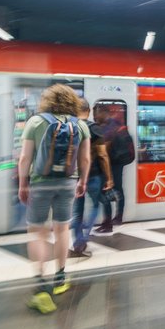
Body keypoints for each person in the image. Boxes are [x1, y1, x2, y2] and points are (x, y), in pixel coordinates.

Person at [18, 84, 90, 314]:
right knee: (62, 230)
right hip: (68, 183)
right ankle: (60, 278)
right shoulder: (80, 125)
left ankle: (40, 286)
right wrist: (83, 182)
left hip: (40, 183)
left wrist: (23, 184)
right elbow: (86, 159)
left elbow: (24, 158)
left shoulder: (36, 122)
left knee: (37, 231)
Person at [69, 98, 113, 258]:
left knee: (76, 212)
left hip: (74, 176)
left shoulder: (69, 127)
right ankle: (85, 235)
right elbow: (102, 154)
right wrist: (109, 178)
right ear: (88, 111)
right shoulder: (94, 128)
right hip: (92, 174)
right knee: (94, 205)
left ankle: (77, 241)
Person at [93, 104, 127, 232]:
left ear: (103, 112)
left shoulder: (110, 127)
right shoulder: (111, 125)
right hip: (114, 163)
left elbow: (104, 149)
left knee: (110, 190)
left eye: (97, 113)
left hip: (113, 164)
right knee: (116, 189)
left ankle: (114, 219)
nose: (95, 116)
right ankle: (114, 218)